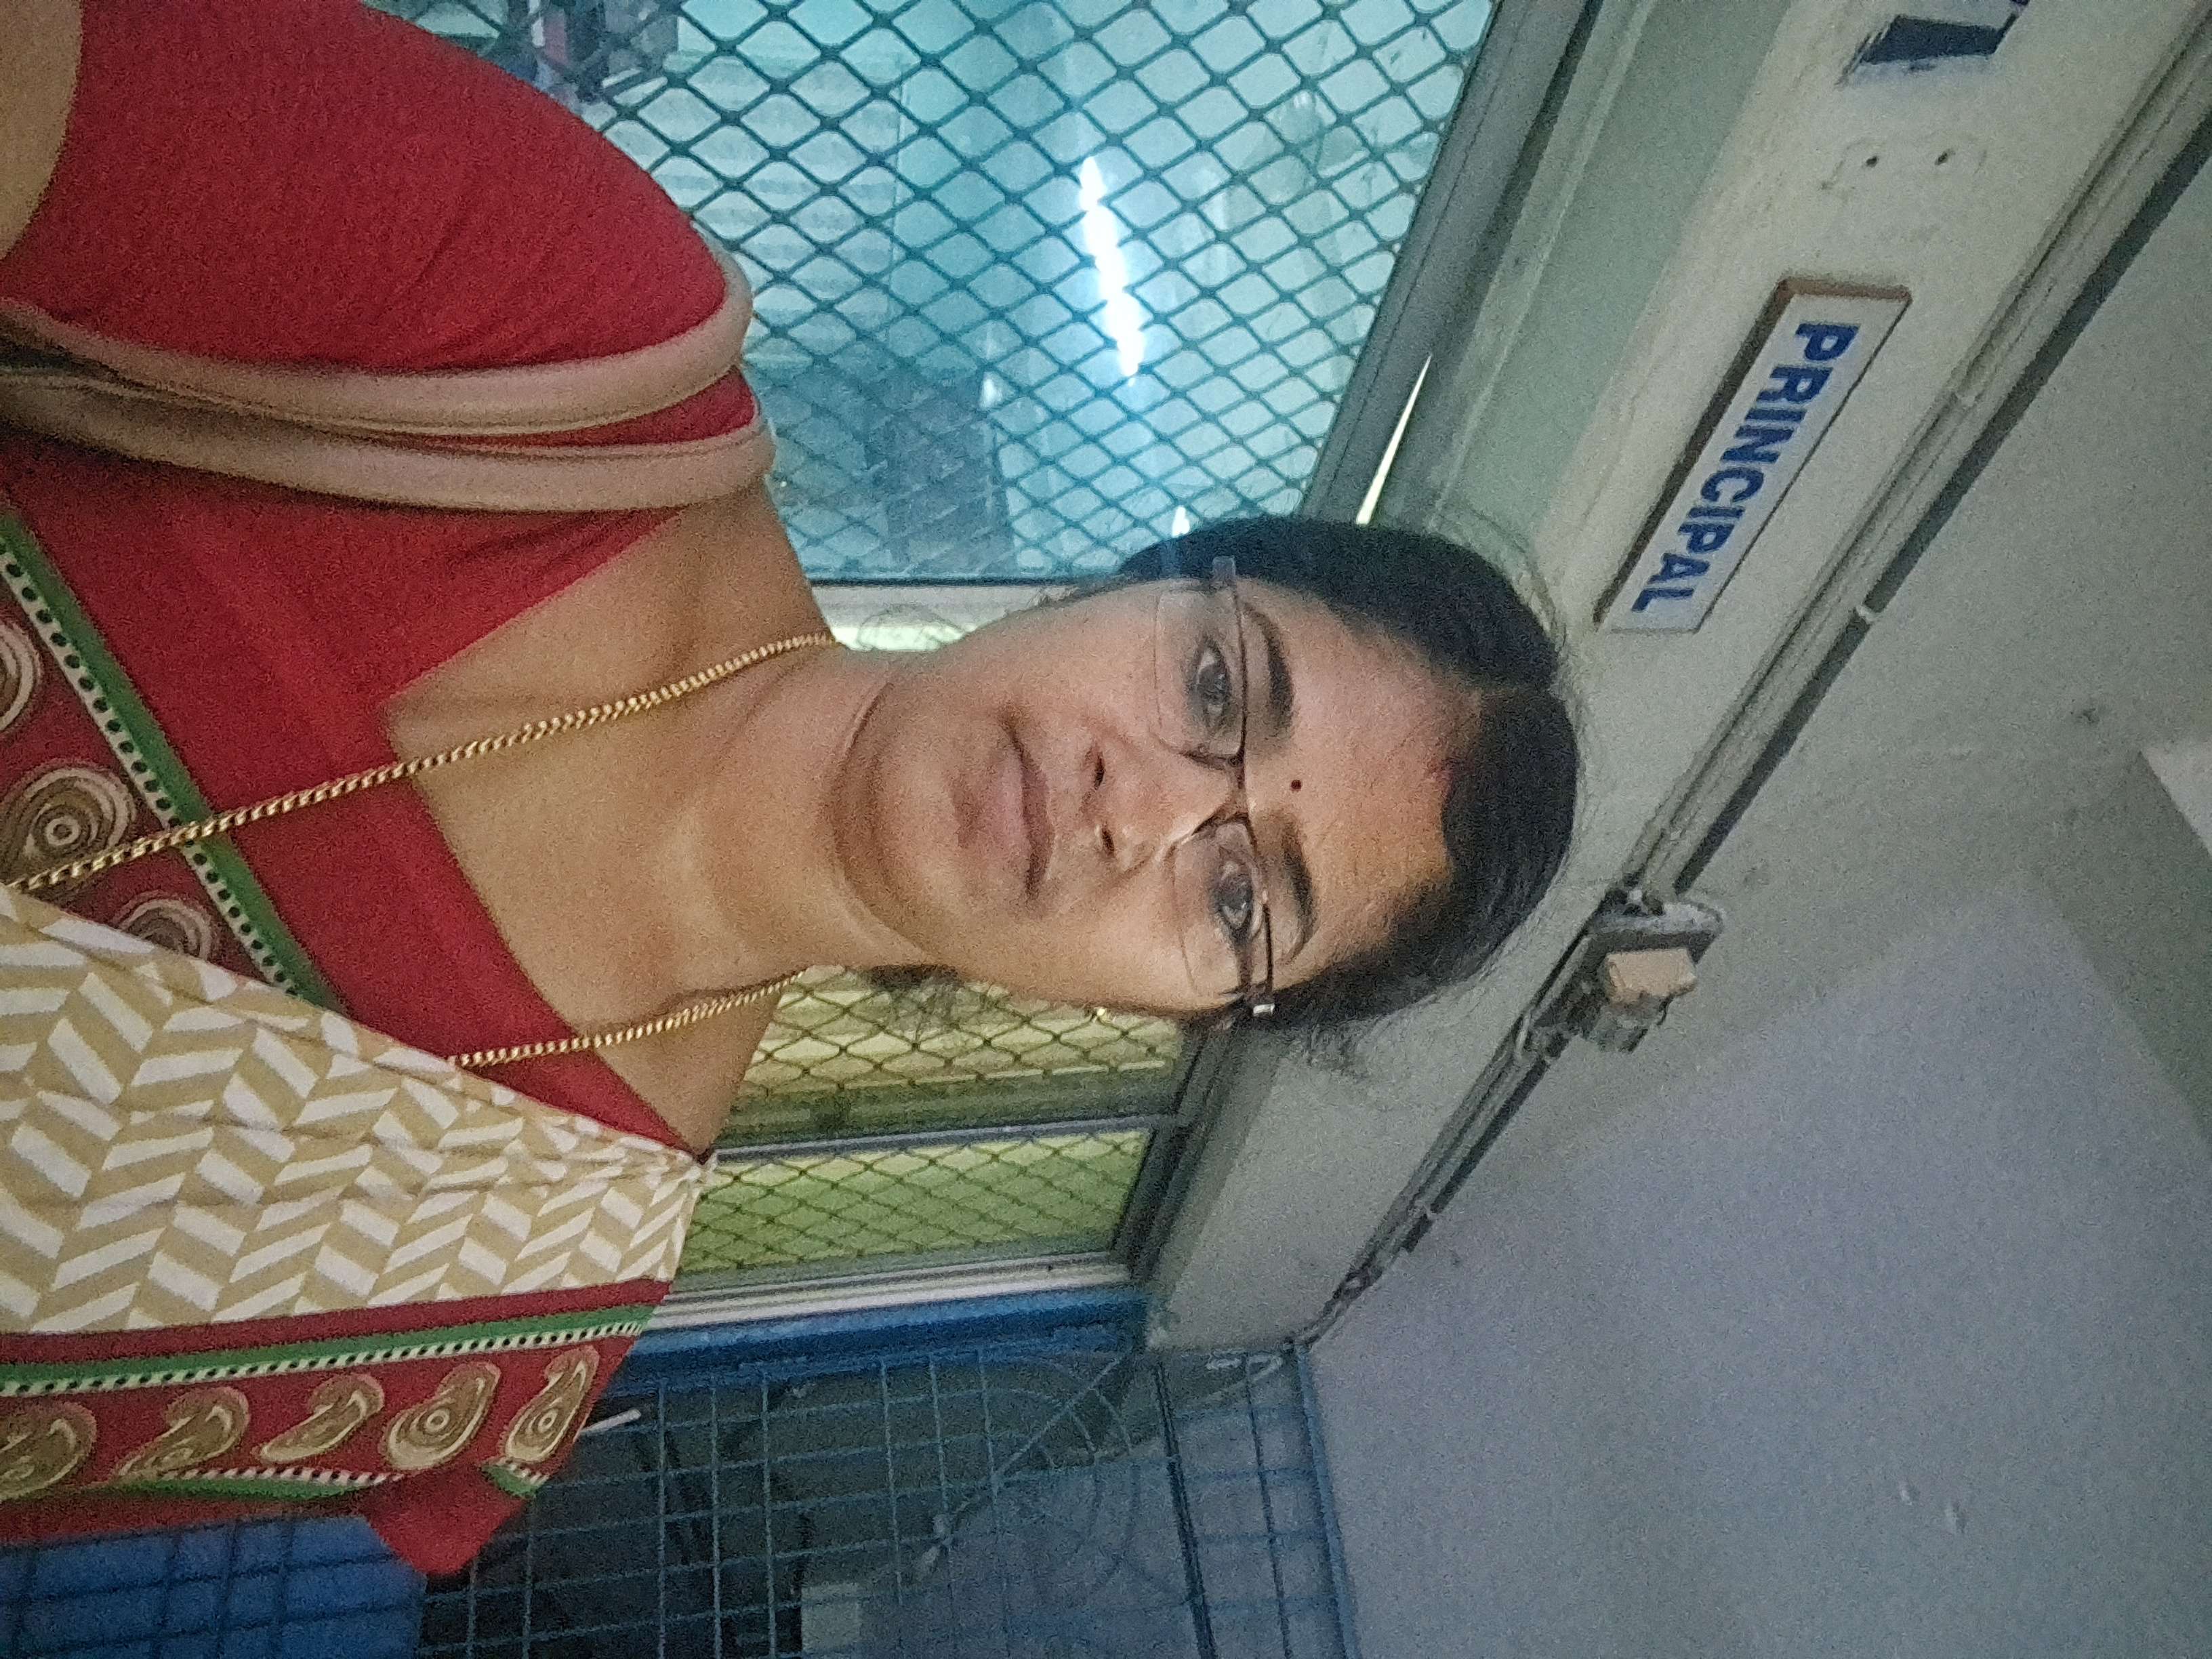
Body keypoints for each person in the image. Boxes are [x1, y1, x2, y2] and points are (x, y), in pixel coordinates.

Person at [0, 0, 1576, 1572]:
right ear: (1137, 584)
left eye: (1239, 899)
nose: (1147, 808)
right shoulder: (568, 350)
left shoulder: (510, 1301)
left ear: (1169, 1009)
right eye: (1217, 689)